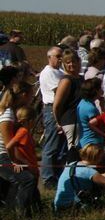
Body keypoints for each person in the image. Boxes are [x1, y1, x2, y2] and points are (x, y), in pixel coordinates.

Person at [0, 70, 38, 215]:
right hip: (3, 155)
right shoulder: (8, 115)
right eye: (31, 95)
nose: (32, 98)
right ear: (23, 95)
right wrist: (15, 161)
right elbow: (8, 143)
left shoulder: (13, 112)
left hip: (7, 154)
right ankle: (20, 215)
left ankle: (28, 211)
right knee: (26, 180)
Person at [53, 144, 105, 211]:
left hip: (59, 205)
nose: (101, 159)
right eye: (100, 157)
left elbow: (98, 177)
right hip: (70, 207)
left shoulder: (73, 164)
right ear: (95, 157)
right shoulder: (89, 171)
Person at [38, 46, 66, 188]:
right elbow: (59, 90)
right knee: (52, 144)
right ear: (50, 57)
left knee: (61, 146)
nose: (60, 58)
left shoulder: (60, 72)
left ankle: (57, 174)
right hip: (51, 109)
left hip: (62, 109)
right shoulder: (48, 73)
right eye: (58, 56)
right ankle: (48, 177)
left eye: (61, 56)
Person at [8, 107, 42, 212]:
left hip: (32, 166)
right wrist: (16, 161)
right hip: (29, 167)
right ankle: (23, 214)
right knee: (30, 194)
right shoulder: (23, 132)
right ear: (29, 121)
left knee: (35, 196)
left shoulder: (24, 132)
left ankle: (37, 214)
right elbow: (10, 146)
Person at [52, 52, 84, 152]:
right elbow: (56, 105)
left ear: (79, 61)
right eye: (68, 62)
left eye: (73, 61)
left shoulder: (81, 79)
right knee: (74, 151)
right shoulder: (66, 81)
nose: (71, 64)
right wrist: (58, 122)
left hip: (81, 120)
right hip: (71, 121)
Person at [77, 78, 105, 149]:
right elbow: (101, 125)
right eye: (100, 88)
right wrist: (102, 107)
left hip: (85, 141)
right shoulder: (90, 108)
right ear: (96, 91)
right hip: (93, 143)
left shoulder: (83, 102)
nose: (102, 90)